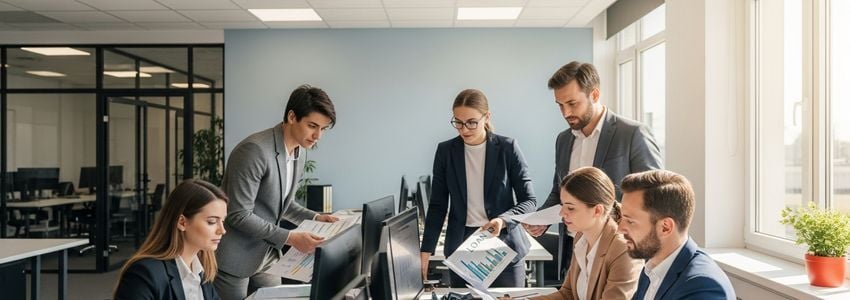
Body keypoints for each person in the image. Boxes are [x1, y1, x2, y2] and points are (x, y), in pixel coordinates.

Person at [524, 61, 663, 276]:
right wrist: (540, 220)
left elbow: (654, 197)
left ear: (595, 95)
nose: (565, 112)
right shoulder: (563, 140)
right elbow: (558, 192)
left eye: (572, 103)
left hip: (618, 249)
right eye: (560, 105)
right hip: (573, 249)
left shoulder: (632, 134)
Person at [214, 84, 340, 300]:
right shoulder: (254, 150)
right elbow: (237, 214)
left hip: (267, 255)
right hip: (235, 257)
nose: (317, 136)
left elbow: (282, 203)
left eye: (323, 129)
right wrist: (291, 237)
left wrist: (316, 217)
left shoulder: (299, 153)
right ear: (292, 117)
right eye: (312, 126)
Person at [420, 89, 537, 287]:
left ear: (487, 117)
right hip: (462, 249)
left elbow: (529, 201)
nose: (464, 129)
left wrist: (503, 220)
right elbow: (438, 205)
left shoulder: (508, 148)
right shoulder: (446, 152)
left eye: (472, 122)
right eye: (458, 122)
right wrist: (426, 250)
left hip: (504, 246)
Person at [618, 170, 735, 300]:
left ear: (665, 227)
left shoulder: (703, 287)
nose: (620, 229)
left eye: (630, 221)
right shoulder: (651, 269)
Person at [533, 167, 643, 300]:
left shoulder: (624, 250)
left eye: (570, 208)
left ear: (597, 210)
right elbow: (568, 294)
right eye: (562, 205)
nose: (562, 213)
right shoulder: (581, 237)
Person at [114, 179, 228, 300]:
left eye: (223, 221)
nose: (222, 230)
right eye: (212, 222)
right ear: (182, 222)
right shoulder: (144, 275)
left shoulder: (201, 270)